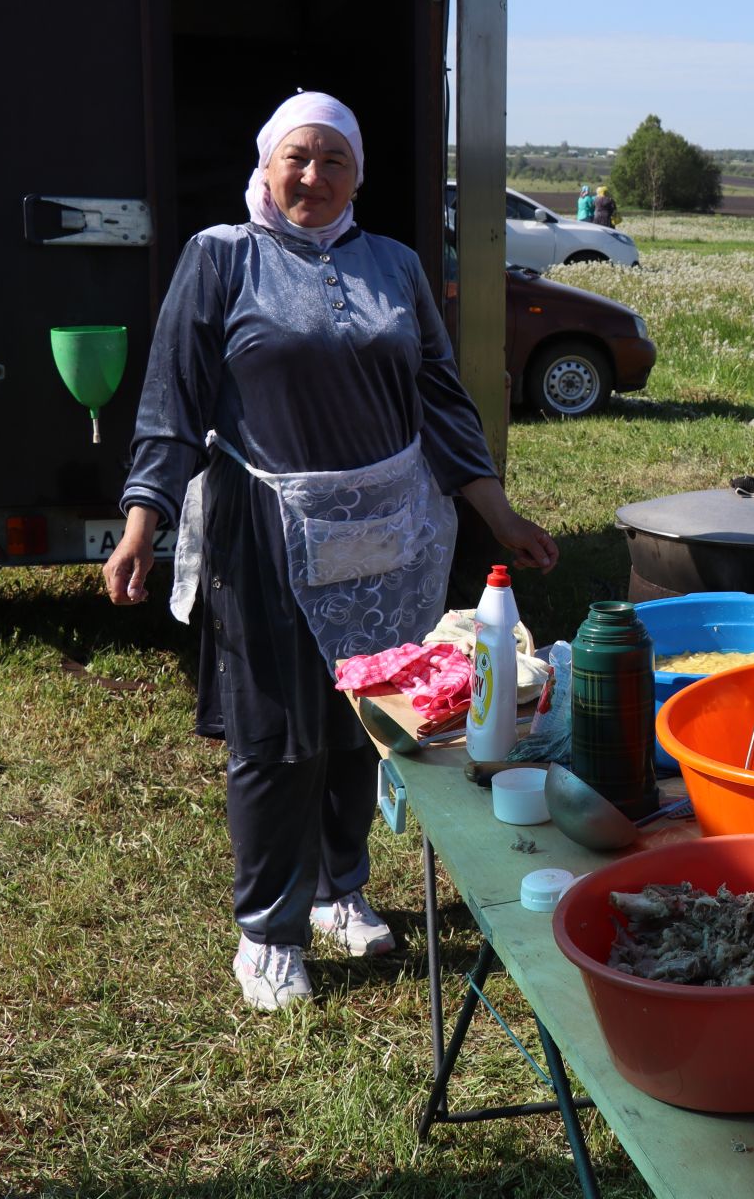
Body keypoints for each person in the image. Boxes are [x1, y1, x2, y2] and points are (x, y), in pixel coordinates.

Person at [102, 91, 559, 1011]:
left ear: (358, 173)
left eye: (333, 160)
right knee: (277, 732)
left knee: (370, 717)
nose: (314, 176)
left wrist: (496, 512)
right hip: (267, 526)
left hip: (387, 528)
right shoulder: (221, 259)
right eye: (297, 158)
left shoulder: (393, 262)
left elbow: (439, 395)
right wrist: (142, 522)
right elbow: (173, 399)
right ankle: (266, 930)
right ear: (267, 164)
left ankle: (338, 888)